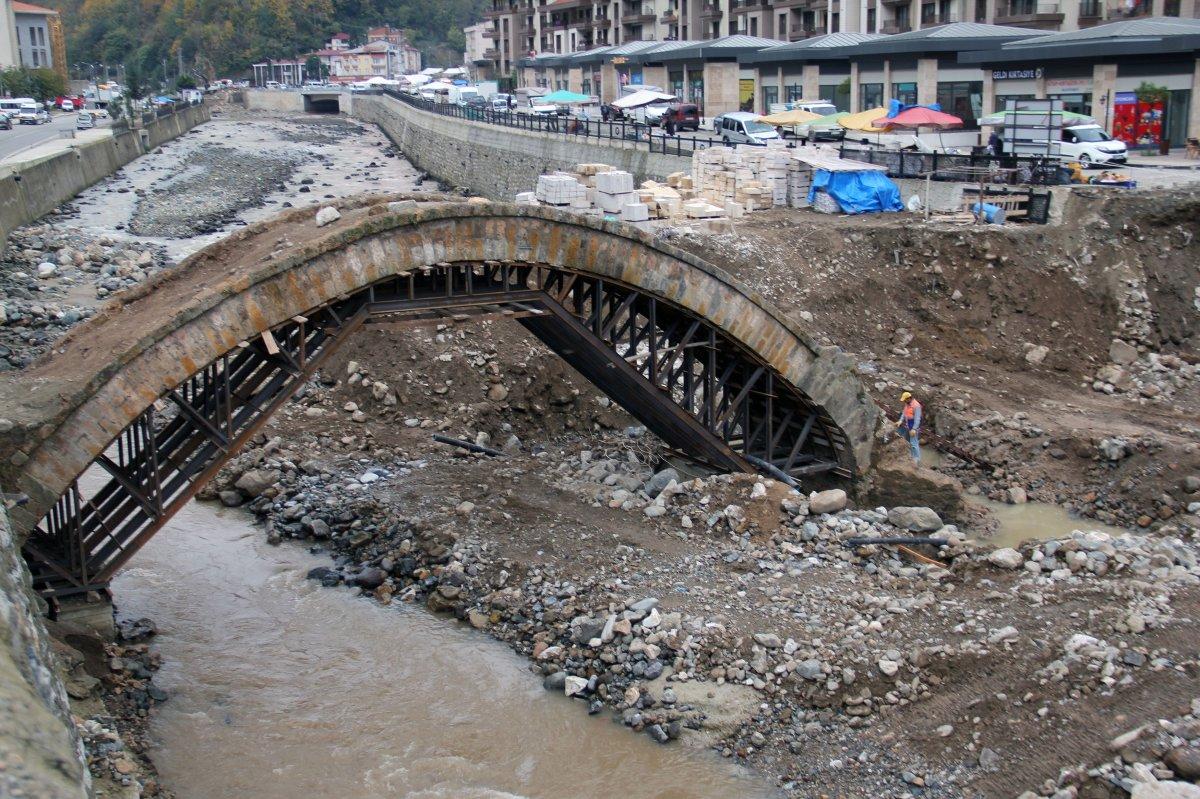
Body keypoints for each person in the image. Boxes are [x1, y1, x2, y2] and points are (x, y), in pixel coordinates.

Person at [896, 391, 922, 465]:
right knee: (907, 440)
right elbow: (904, 413)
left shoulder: (916, 406)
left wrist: (914, 429)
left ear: (909, 398)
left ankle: (916, 459)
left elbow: (917, 418)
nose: (904, 401)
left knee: (914, 443)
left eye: (905, 400)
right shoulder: (907, 404)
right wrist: (900, 421)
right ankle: (909, 455)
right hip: (908, 424)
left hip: (914, 425)